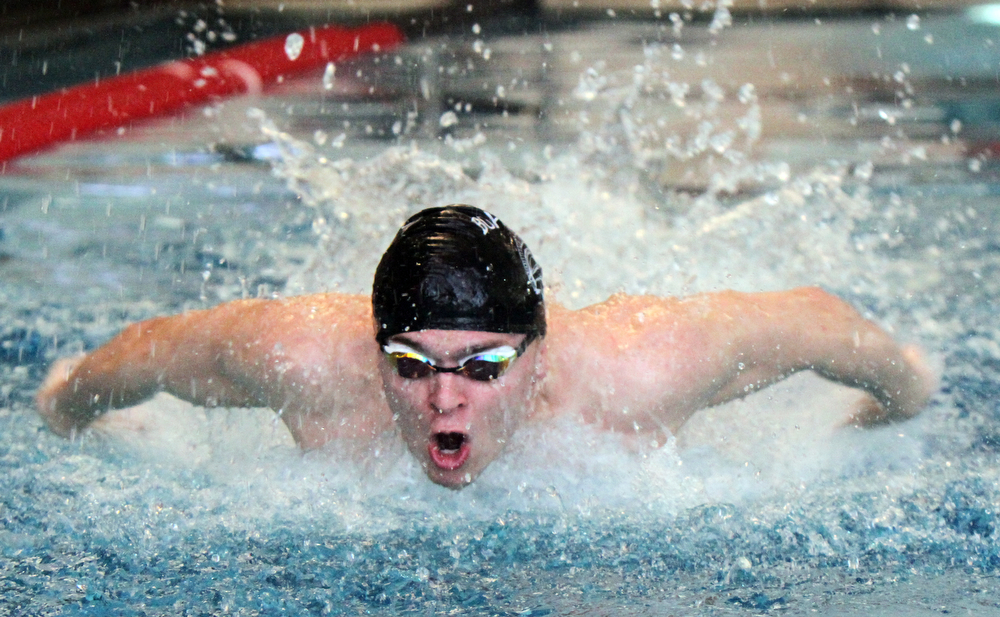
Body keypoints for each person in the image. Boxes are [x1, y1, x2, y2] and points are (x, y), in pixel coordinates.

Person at [36, 205, 935, 489]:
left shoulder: (641, 369)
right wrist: (65, 400)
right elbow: (155, 353)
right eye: (413, 364)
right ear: (373, 350)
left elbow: (815, 321)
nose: (444, 400)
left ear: (538, 358)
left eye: (485, 366)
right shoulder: (304, 360)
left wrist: (901, 398)